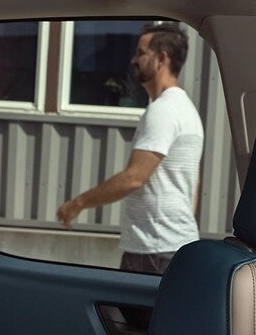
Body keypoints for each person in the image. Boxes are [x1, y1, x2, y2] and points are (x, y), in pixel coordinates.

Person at [57, 22, 204, 275]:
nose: (133, 59)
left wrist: (77, 204)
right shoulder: (185, 109)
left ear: (161, 59)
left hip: (154, 251)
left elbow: (133, 178)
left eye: (140, 52)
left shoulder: (164, 110)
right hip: (172, 245)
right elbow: (193, 185)